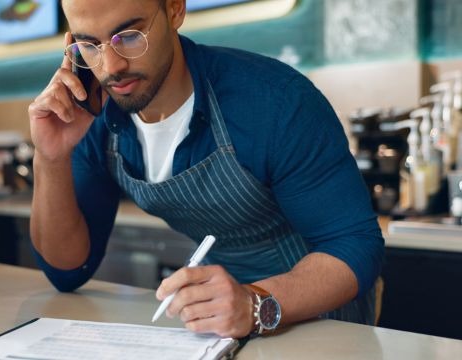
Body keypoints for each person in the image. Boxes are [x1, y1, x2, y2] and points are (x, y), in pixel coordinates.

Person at [28, 0, 384, 338]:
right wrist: (50, 157)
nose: (111, 67)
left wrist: (253, 303)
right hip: (218, 323)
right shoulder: (94, 115)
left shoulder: (274, 100)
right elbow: (68, 270)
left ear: (174, 10)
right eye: (89, 45)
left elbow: (354, 244)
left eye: (131, 36)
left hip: (318, 317)